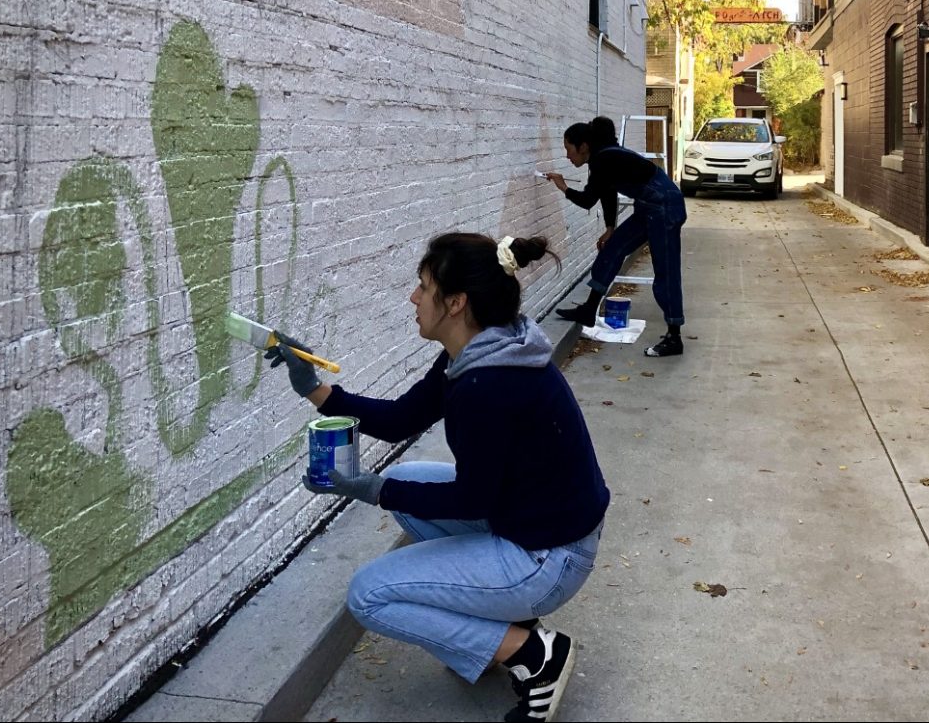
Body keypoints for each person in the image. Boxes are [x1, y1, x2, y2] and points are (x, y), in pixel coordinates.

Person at [267, 232, 609, 722]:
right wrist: (315, 389)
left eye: (422, 286)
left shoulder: (486, 385)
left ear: (455, 302)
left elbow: (471, 498)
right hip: (542, 525)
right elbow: (402, 418)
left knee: (369, 595)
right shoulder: (485, 347)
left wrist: (373, 490)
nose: (413, 297)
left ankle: (535, 656)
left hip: (548, 557)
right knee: (411, 479)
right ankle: (506, 631)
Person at [545, 115, 688, 357]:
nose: (568, 156)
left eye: (569, 149)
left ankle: (674, 336)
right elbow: (607, 193)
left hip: (665, 207)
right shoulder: (603, 158)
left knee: (666, 271)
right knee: (612, 249)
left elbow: (589, 199)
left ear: (583, 146)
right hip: (648, 207)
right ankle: (589, 310)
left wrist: (564, 188)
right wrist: (610, 228)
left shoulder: (604, 158)